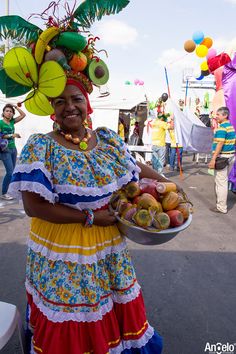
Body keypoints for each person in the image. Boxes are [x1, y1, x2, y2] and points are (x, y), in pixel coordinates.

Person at [1, 3, 184, 352]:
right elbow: (33, 206)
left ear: (88, 104)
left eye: (76, 100)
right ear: (51, 109)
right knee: (71, 321)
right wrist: (90, 217)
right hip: (62, 251)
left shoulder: (108, 138)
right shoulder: (42, 146)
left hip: (107, 247)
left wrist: (172, 185)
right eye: (59, 102)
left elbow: (135, 167)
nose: (69, 107)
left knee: (109, 311)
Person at [208, 107, 235, 214]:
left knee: (221, 183)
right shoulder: (231, 127)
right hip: (230, 157)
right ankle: (221, 203)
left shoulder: (222, 128)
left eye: (218, 114)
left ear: (225, 116)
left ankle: (221, 207)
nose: (216, 116)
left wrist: (213, 159)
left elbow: (220, 144)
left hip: (222, 158)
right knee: (222, 181)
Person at [0, 103, 26, 200]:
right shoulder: (0, 123)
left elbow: (23, 115)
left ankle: (10, 190)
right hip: (4, 150)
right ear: (3, 112)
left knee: (13, 171)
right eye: (7, 111)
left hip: (13, 149)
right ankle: (4, 193)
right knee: (10, 172)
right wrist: (12, 135)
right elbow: (0, 136)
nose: (9, 113)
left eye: (11, 111)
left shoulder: (12, 122)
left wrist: (15, 106)